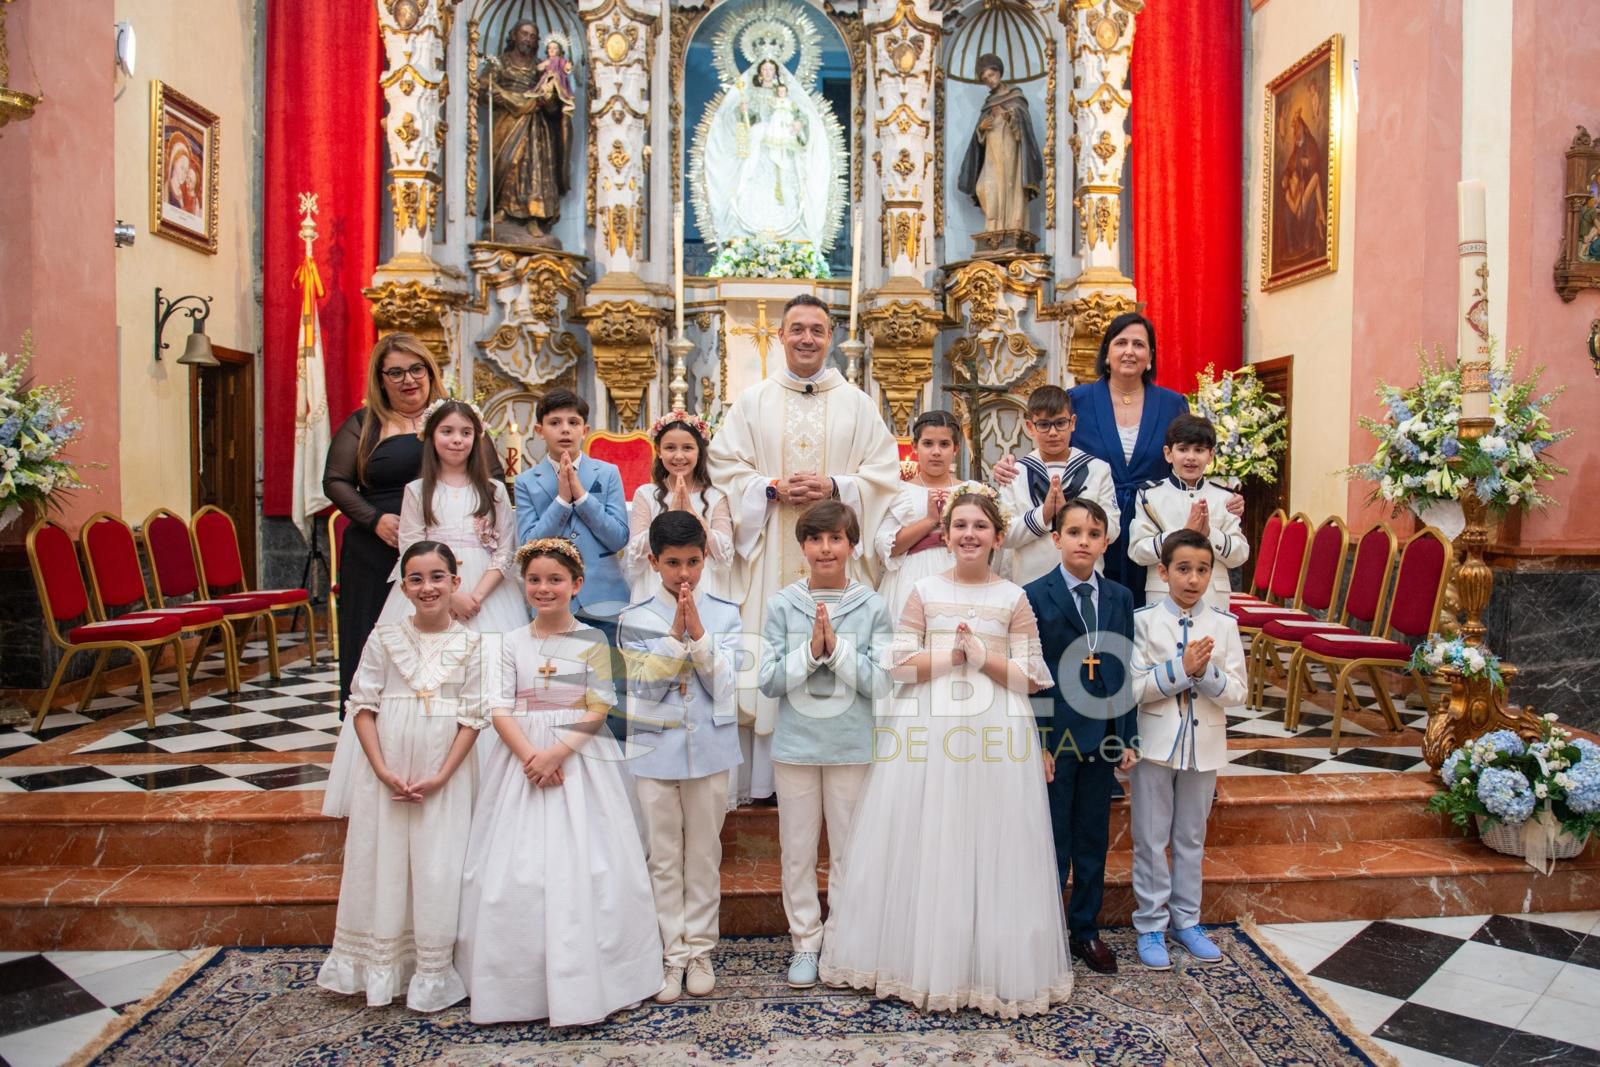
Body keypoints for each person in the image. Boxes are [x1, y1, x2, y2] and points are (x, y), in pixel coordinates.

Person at [820, 487, 1072, 1017]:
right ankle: (923, 961)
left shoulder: (1014, 598)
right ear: (946, 533)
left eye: (980, 526)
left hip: (997, 726)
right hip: (930, 723)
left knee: (991, 838)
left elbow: (1032, 678)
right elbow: (899, 664)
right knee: (932, 833)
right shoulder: (924, 591)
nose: (969, 534)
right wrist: (951, 657)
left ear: (997, 537)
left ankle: (987, 964)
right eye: (960, 525)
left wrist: (982, 658)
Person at [455, 538, 663, 1025]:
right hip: (521, 758)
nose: (543, 588)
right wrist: (532, 756)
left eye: (555, 580)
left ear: (577, 585)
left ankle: (603, 974)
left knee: (593, 862)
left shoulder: (592, 640)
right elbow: (499, 707)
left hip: (580, 754)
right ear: (523, 585)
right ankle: (517, 984)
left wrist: (556, 753)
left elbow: (599, 704)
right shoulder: (509, 641)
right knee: (517, 868)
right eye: (534, 580)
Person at [707, 293, 902, 801]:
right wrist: (770, 488)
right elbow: (723, 466)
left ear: (831, 337)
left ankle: (843, 766)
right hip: (773, 544)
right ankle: (765, 782)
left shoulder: (858, 404)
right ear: (780, 336)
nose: (807, 338)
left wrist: (836, 487)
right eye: (797, 329)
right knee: (774, 654)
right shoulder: (753, 402)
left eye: (817, 329)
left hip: (839, 556)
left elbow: (884, 474)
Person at [317, 541, 486, 1012]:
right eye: (416, 578)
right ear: (404, 587)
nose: (427, 587)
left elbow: (473, 717)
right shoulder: (384, 638)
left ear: (455, 582)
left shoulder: (474, 644)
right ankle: (382, 965)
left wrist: (443, 775)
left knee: (438, 862)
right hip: (387, 770)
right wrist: (381, 769)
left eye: (437, 577)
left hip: (445, 775)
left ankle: (434, 968)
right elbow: (362, 706)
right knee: (384, 859)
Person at [324, 333, 503, 709]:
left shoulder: (457, 420)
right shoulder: (365, 423)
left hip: (451, 548)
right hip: (378, 549)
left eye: (416, 369)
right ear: (380, 379)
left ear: (430, 371)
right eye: (396, 372)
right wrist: (374, 519)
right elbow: (335, 480)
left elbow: (493, 478)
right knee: (376, 641)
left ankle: (450, 723)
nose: (408, 379)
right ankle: (372, 720)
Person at [757, 501, 892, 990]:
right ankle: (805, 941)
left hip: (851, 745)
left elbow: (882, 682)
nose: (826, 548)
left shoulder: (873, 606)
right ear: (803, 547)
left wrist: (837, 651)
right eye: (816, 539)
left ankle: (841, 940)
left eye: (836, 538)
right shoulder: (782, 604)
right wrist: (810, 651)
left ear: (852, 545)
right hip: (796, 745)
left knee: (849, 850)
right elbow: (769, 680)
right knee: (796, 851)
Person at [618, 512, 743, 1005]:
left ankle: (700, 951)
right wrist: (674, 638)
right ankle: (672, 953)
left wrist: (702, 638)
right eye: (673, 563)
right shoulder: (634, 618)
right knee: (665, 856)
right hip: (655, 753)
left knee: (704, 855)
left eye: (693, 561)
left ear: (705, 557)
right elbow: (644, 690)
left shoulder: (726, 613)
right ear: (653, 562)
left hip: (710, 750)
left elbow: (727, 686)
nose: (684, 574)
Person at [1023, 498, 1137, 976]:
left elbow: (1124, 665)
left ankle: (1085, 928)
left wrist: (1126, 735)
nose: (1083, 542)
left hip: (1102, 733)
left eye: (1093, 534)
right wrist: (1041, 742)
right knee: (1054, 839)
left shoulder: (1119, 597)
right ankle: (1046, 930)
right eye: (1073, 533)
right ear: (1056, 539)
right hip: (1058, 737)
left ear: (1105, 542)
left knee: (1092, 836)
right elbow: (1033, 675)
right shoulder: (1033, 595)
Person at [1129, 528, 1247, 970]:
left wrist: (1206, 674)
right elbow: (1134, 687)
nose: (1193, 579)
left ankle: (1187, 921)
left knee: (1191, 837)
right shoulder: (1142, 622)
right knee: (1150, 837)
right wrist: (1181, 669)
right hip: (1154, 745)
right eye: (1182, 569)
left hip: (1204, 745)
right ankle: (1150, 924)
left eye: (1202, 570)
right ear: (1163, 572)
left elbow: (1238, 692)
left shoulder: (1225, 624)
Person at [1064, 313, 1241, 606]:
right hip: (1095, 522)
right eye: (1121, 343)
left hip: (1154, 522)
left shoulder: (1172, 403)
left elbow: (1187, 457)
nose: (1129, 351)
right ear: (1106, 352)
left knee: (1150, 612)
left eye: (1138, 344)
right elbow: (1055, 450)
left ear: (1150, 356)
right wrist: (1013, 468)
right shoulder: (1077, 401)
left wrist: (1223, 498)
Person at [374, 399, 527, 632]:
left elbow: (506, 550)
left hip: (488, 590)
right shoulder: (417, 491)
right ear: (431, 436)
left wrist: (475, 598)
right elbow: (410, 549)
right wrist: (450, 597)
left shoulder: (494, 490)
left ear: (476, 438)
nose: (457, 439)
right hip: (431, 587)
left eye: (466, 432)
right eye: (447, 431)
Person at [513, 388, 630, 642]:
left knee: (607, 666)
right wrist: (562, 502)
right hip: (550, 601)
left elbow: (618, 537)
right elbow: (528, 544)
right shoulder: (526, 482)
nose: (565, 429)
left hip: (604, 599)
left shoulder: (607, 473)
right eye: (555, 423)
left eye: (573, 423)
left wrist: (583, 497)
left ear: (584, 430)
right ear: (539, 430)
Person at [999, 385, 1119, 588]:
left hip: (1085, 584)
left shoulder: (1097, 469)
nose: (1053, 432)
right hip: (1031, 583)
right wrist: (1044, 514)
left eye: (1060, 423)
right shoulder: (1015, 473)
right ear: (1030, 427)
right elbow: (1004, 535)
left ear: (1073, 423)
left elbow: (1113, 530)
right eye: (1043, 425)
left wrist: (1071, 517)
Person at [1127, 414, 1249, 611]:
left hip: (1213, 598)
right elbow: (1137, 552)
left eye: (1199, 450)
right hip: (1163, 595)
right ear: (1168, 453)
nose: (1191, 457)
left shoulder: (1225, 498)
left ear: (1211, 455)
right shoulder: (1149, 496)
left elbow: (1240, 554)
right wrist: (1182, 534)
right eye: (1183, 449)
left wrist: (1210, 534)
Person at [623, 411, 733, 603]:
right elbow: (634, 554)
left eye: (687, 448)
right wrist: (669, 516)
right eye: (670, 448)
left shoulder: (716, 496)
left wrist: (694, 516)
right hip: (655, 582)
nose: (679, 456)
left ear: (699, 451)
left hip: (703, 581)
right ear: (658, 450)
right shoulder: (646, 494)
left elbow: (725, 556)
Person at [485, 19, 573, 245]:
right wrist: (502, 94)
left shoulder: (539, 66)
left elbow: (555, 99)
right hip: (507, 123)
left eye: (533, 36)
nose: (528, 39)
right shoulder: (502, 62)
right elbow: (483, 85)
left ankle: (535, 216)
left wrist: (549, 100)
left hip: (535, 124)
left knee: (535, 168)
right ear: (514, 35)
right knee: (509, 164)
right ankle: (503, 209)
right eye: (524, 34)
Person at [875, 410, 962, 625]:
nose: (936, 452)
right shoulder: (900, 492)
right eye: (928, 444)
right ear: (915, 446)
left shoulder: (971, 491)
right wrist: (929, 521)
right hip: (909, 580)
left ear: (956, 449)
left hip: (958, 574)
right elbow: (887, 547)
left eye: (944, 444)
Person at [956, 53, 1043, 237]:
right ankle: (994, 227)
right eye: (985, 78)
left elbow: (1024, 130)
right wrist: (981, 128)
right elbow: (978, 140)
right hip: (991, 153)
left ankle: (1012, 226)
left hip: (1010, 150)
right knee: (984, 187)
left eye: (991, 75)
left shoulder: (1016, 96)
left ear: (999, 72)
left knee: (1010, 186)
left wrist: (1010, 116)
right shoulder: (988, 104)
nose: (989, 80)